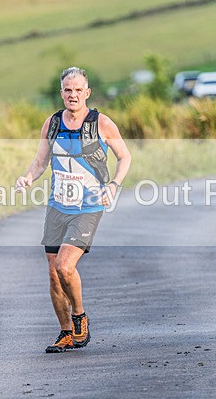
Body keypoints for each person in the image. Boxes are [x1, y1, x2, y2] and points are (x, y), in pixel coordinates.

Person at [16, 67, 131, 352]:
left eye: (78, 90)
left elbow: (124, 156)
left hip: (88, 205)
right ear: (61, 93)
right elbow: (41, 161)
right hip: (57, 205)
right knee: (53, 273)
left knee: (65, 265)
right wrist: (28, 177)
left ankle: (79, 317)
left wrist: (114, 184)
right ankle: (66, 332)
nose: (73, 95)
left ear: (87, 93)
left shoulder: (101, 123)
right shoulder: (52, 123)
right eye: (68, 90)